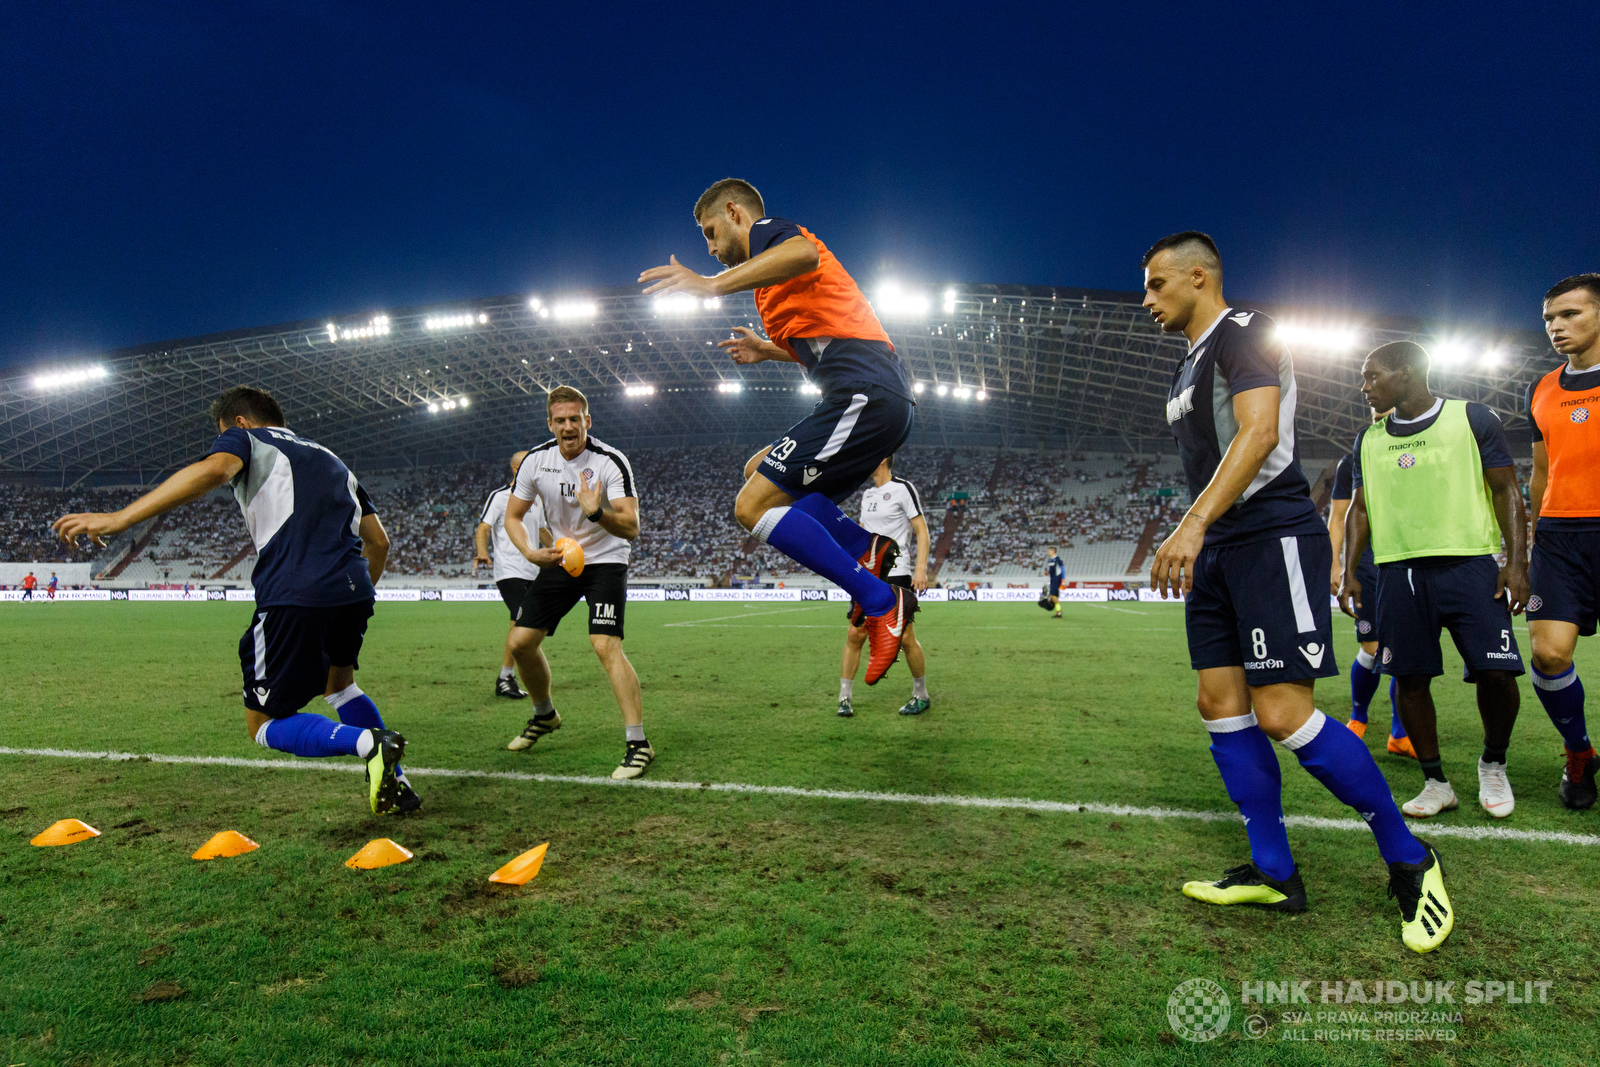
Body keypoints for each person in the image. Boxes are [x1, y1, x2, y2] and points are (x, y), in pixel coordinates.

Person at [1143, 231, 1451, 953]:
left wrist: (1190, 523)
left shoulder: (1244, 332)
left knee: (1283, 712)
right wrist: (1200, 531)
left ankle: (1411, 860)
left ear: (1199, 275)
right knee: (1219, 703)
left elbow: (1256, 435)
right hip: (1220, 545)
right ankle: (1276, 872)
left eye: (1158, 283)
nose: (1147, 299)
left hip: (1271, 535)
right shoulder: (1187, 364)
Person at [52, 386, 415, 815]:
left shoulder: (248, 438)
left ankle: (367, 742)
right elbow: (380, 542)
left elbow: (216, 470)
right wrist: (354, 592)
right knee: (340, 685)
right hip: (353, 589)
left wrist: (119, 518)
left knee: (262, 724)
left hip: (295, 589)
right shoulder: (332, 459)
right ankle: (398, 785)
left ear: (239, 422)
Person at [639, 178, 913, 686]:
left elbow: (805, 253)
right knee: (763, 480)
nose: (711, 247)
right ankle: (867, 550)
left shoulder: (770, 233)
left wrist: (709, 283)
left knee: (751, 505)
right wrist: (768, 349)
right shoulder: (768, 290)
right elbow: (824, 340)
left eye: (710, 232)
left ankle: (879, 600)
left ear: (734, 211)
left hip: (866, 394)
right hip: (871, 397)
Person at [1340, 341, 1528, 820]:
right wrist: (1348, 571)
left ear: (1405, 373)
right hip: (1398, 571)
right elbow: (1359, 510)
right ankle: (1435, 781)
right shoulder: (1369, 439)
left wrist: (1517, 563)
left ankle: (1493, 762)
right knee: (1410, 677)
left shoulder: (1472, 418)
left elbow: (1507, 490)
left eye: (1372, 376)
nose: (1364, 387)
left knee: (1498, 673)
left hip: (1470, 565)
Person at [502, 386, 651, 780]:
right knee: (519, 643)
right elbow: (513, 517)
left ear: (588, 421)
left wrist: (597, 513)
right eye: (560, 420)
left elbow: (632, 527)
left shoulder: (610, 462)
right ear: (550, 424)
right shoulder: (536, 461)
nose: (569, 426)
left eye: (575, 419)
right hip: (560, 558)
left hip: (605, 559)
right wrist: (531, 553)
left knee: (605, 645)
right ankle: (544, 714)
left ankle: (638, 743)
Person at [1527, 273, 1600, 809]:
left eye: (1570, 314)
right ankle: (1579, 754)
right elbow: (1539, 471)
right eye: (1550, 317)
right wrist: (1531, 538)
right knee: (1549, 655)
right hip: (1557, 535)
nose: (1556, 326)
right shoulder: (1542, 388)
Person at [1327, 443, 1415, 757]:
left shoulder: (1419, 451)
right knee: (1373, 647)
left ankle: (1400, 734)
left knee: (1404, 651)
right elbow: (1338, 518)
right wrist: (1335, 564)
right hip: (1366, 562)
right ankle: (1358, 717)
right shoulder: (1352, 461)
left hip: (1409, 559)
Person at [838, 456, 931, 717]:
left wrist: (921, 569)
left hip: (897, 573)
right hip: (866, 576)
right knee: (855, 634)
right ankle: (844, 698)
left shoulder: (903, 488)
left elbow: (922, 531)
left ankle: (921, 694)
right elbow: (865, 534)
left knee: (904, 638)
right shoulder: (867, 495)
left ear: (881, 460)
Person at [474, 450, 541, 700]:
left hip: (533, 570)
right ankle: (505, 677)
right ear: (516, 469)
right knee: (521, 618)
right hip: (509, 570)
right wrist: (482, 552)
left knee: (529, 623)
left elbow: (543, 531)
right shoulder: (500, 497)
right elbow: (483, 528)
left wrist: (562, 551)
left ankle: (513, 674)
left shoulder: (537, 498)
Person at [1045, 546, 1065, 618]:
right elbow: (1051, 570)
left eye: (1049, 550)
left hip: (1057, 579)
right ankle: (1058, 611)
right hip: (1052, 579)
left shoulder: (1058, 559)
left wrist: (1063, 580)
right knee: (1054, 596)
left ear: (1053, 551)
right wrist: (1047, 573)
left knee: (1052, 595)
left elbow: (1062, 569)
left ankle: (1059, 611)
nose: (1048, 552)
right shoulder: (1050, 560)